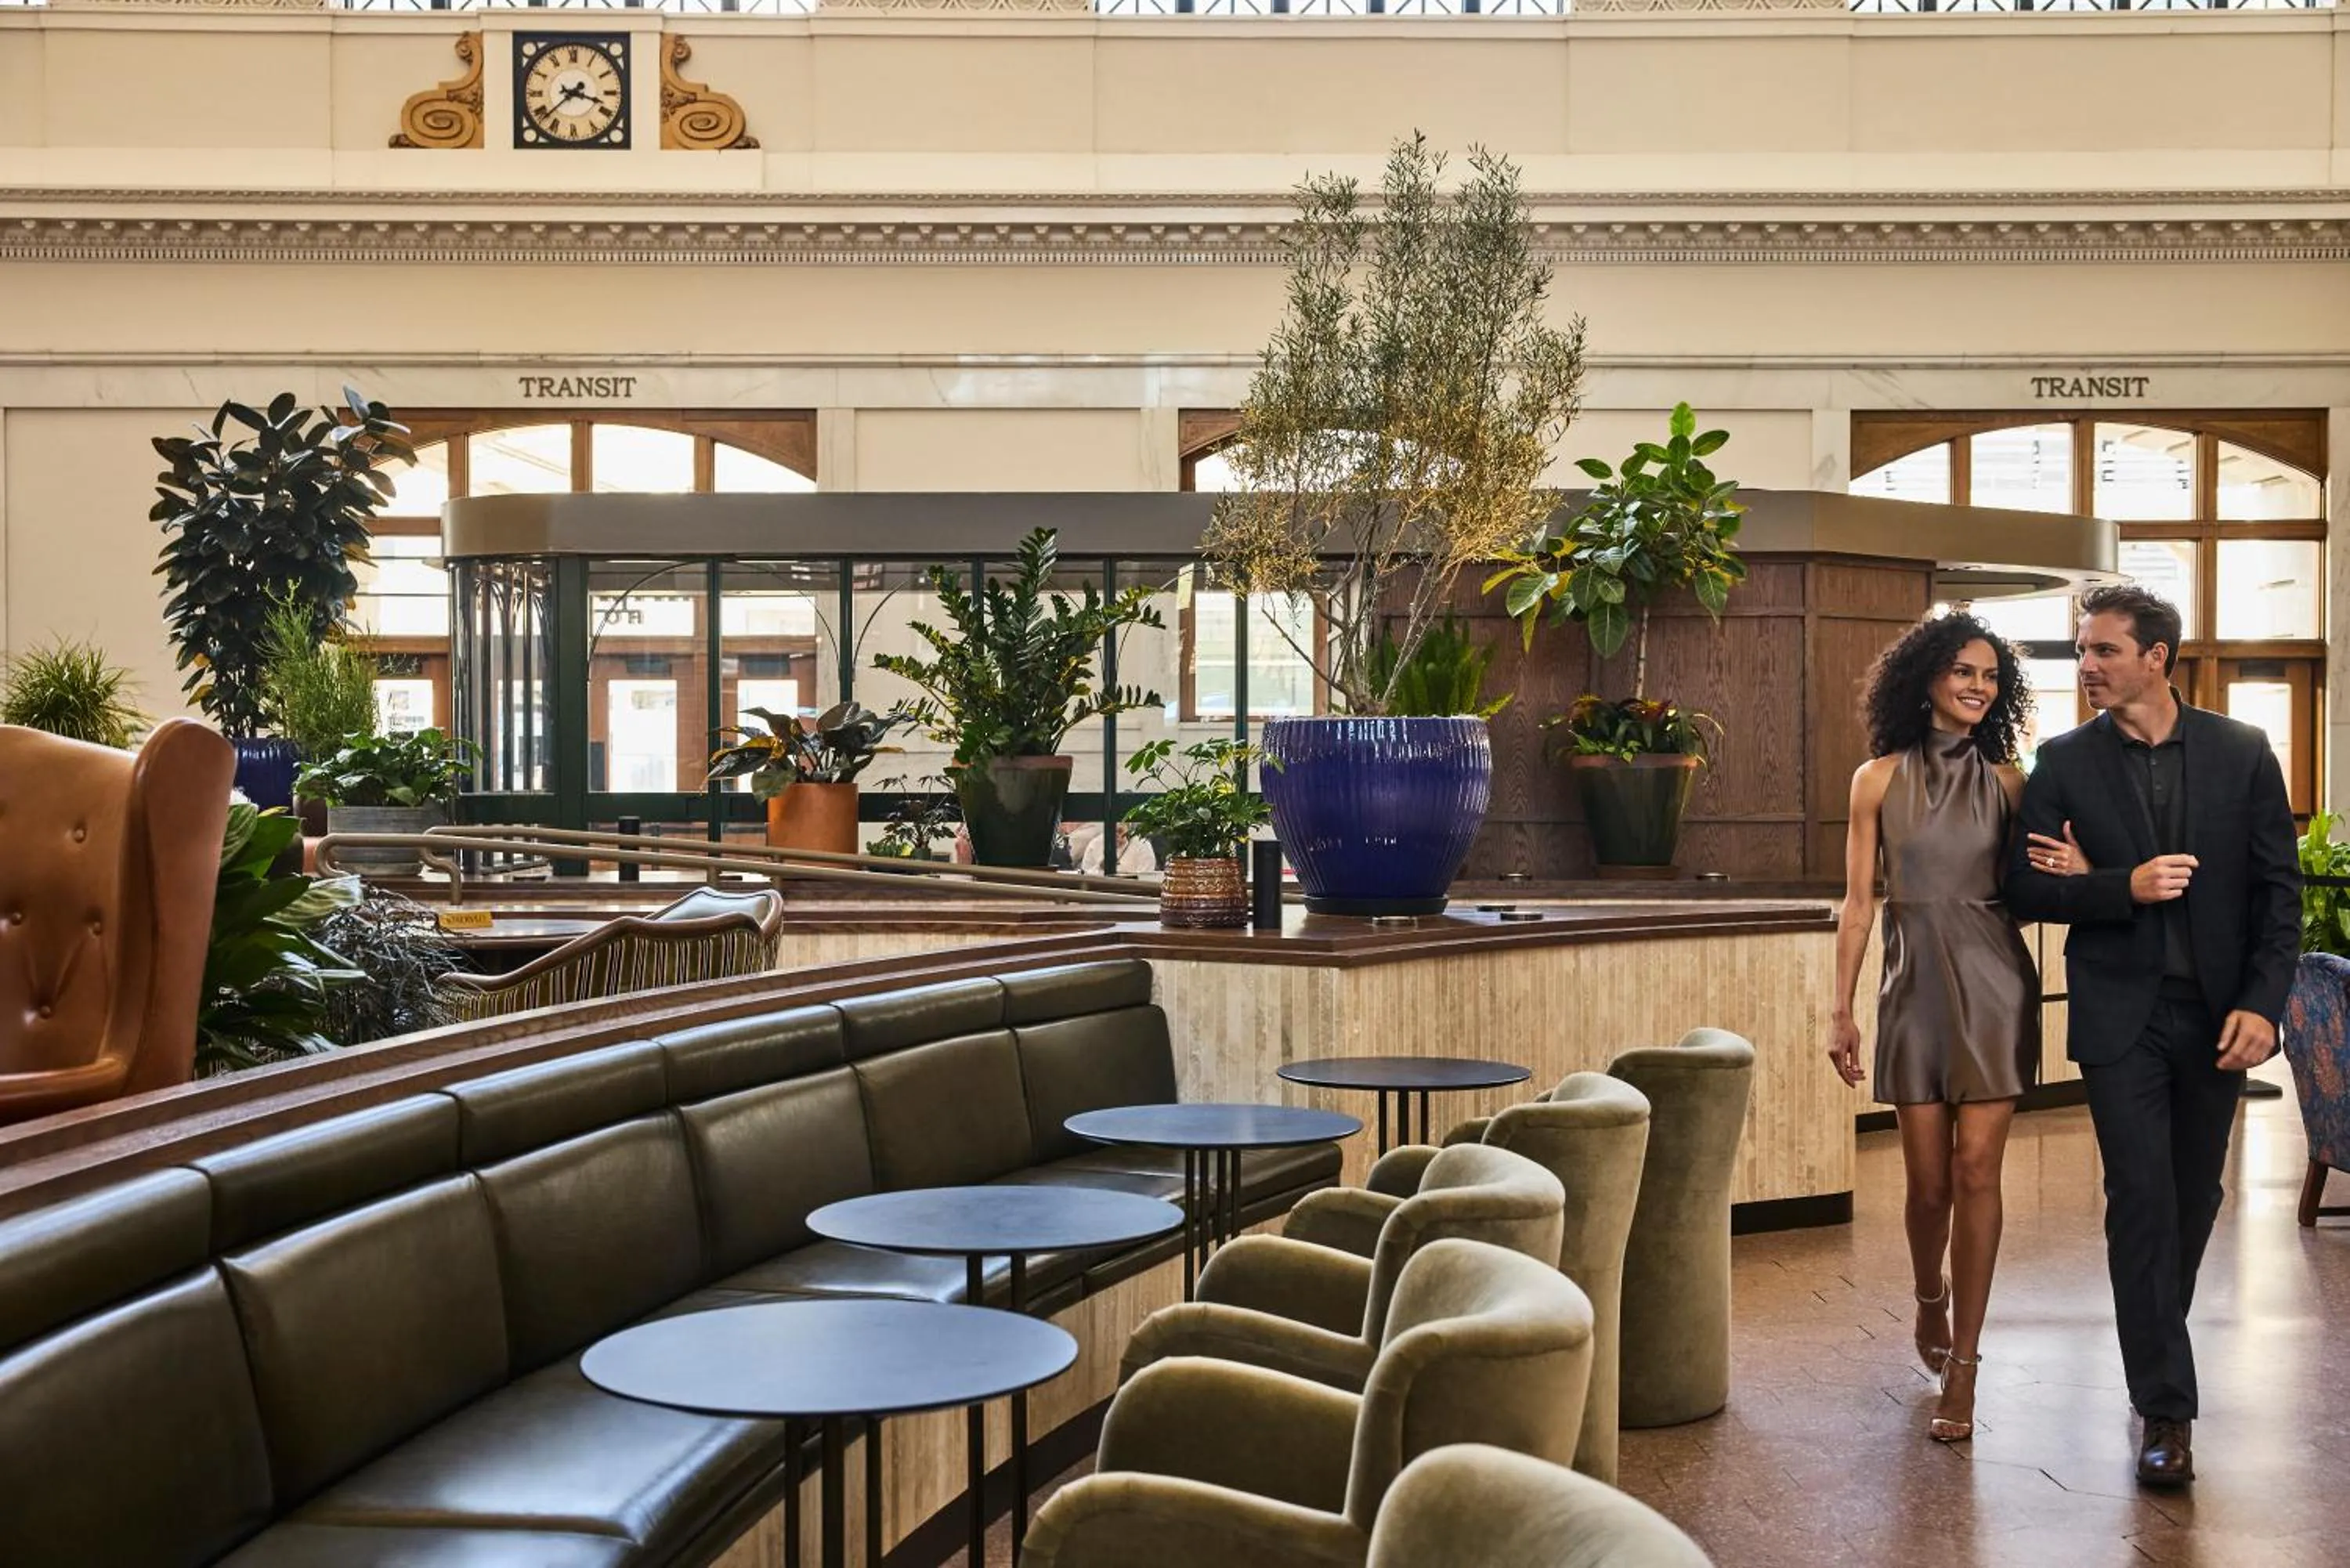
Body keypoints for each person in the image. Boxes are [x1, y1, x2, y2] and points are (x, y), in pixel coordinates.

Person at [2005, 584, 2298, 1490]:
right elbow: (2024, 889)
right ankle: (2166, 1409)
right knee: (2140, 1194)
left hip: (2218, 1015)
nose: (2086, 666)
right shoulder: (2061, 762)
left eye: (2102, 650)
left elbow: (2277, 893)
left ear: (2156, 658)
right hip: (2120, 1016)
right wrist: (2118, 886)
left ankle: (2150, 1335)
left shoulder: (2243, 753)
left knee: (2193, 1194)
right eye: (2083, 651)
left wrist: (2263, 1002)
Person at [1828, 612, 2039, 1445]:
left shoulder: (2013, 782)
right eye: (1964, 671)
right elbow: (1857, 904)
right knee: (1926, 1187)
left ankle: (1968, 1364)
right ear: (1925, 680)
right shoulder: (1874, 779)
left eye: (1990, 675)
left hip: (1995, 982)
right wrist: (1839, 1007)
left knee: (1978, 1169)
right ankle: (1928, 1297)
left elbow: (2040, 883)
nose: (1978, 686)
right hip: (1912, 988)